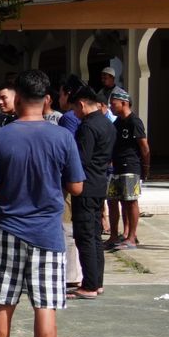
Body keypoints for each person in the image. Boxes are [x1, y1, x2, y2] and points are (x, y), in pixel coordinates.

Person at [0, 68, 86, 337]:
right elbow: (77, 187)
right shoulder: (63, 137)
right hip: (46, 234)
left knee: (3, 302)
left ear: (19, 98)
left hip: (6, 229)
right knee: (45, 306)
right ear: (48, 100)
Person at [69, 86, 115, 299]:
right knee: (95, 236)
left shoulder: (87, 126)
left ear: (81, 104)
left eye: (75, 110)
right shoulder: (107, 123)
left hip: (86, 186)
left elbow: (81, 158)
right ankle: (97, 282)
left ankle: (89, 285)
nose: (75, 114)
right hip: (99, 184)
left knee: (85, 236)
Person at [106, 88, 149, 249]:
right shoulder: (116, 123)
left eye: (113, 104)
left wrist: (145, 167)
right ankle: (114, 235)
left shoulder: (134, 122)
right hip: (116, 167)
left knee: (130, 201)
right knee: (112, 200)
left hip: (131, 165)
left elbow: (144, 147)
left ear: (124, 103)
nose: (111, 107)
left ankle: (131, 236)